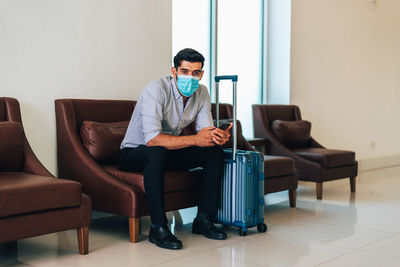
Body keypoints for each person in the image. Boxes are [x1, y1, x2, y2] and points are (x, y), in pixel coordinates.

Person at [119, 48, 232, 250]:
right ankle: (158, 228)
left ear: (201, 74)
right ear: (174, 71)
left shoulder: (202, 92)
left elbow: (204, 133)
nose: (190, 77)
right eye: (185, 71)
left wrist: (216, 137)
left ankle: (204, 219)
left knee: (213, 152)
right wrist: (197, 139)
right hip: (134, 153)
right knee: (157, 150)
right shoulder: (156, 89)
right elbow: (153, 139)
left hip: (167, 151)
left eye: (196, 73)